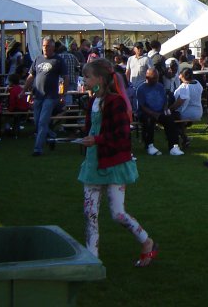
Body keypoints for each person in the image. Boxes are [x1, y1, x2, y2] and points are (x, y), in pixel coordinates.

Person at [78, 58, 157, 266]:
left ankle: (147, 241)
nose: (84, 80)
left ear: (101, 79)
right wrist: (87, 138)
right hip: (93, 163)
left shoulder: (116, 102)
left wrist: (96, 139)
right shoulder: (92, 101)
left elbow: (121, 136)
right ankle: (91, 259)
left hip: (114, 164)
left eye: (87, 76)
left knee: (118, 214)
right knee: (90, 214)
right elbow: (91, 128)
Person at [24, 37, 68, 156]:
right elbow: (31, 76)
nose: (45, 48)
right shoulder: (38, 59)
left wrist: (63, 93)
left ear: (53, 47)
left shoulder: (58, 60)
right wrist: (24, 90)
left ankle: (37, 149)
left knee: (43, 122)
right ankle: (52, 135)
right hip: (38, 95)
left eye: (48, 46)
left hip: (51, 96)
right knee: (37, 122)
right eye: (44, 45)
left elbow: (65, 78)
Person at [137, 68, 182, 156]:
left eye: (157, 78)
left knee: (170, 119)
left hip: (159, 112)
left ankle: (174, 146)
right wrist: (154, 114)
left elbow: (165, 101)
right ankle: (149, 146)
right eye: (154, 78)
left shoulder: (160, 86)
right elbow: (142, 106)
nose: (156, 80)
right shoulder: (141, 89)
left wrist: (165, 109)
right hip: (146, 113)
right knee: (149, 121)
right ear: (147, 77)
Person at [125, 42, 151, 113]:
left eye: (141, 48)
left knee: (140, 104)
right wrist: (126, 83)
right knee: (131, 103)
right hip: (131, 85)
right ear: (134, 49)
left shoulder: (147, 59)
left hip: (142, 85)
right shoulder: (130, 59)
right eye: (138, 48)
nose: (140, 49)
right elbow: (127, 72)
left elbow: (151, 72)